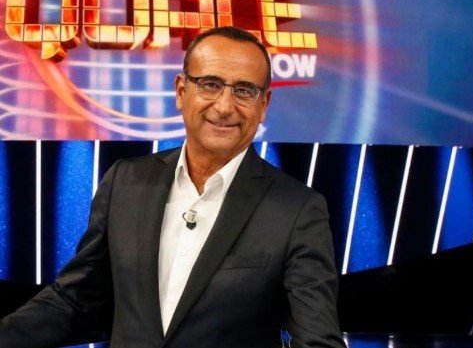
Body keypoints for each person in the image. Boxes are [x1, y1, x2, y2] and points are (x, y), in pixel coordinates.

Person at [0, 26, 346, 348]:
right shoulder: (125, 182)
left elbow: (317, 340)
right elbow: (76, 300)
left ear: (263, 104)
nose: (225, 106)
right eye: (210, 84)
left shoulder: (298, 210)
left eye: (244, 91)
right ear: (181, 91)